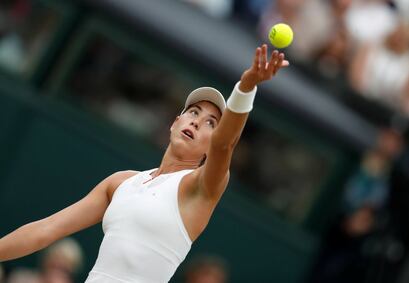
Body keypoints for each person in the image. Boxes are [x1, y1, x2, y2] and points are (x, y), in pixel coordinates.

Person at [0, 44, 289, 282]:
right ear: (175, 123)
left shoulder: (199, 187)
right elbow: (45, 230)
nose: (197, 121)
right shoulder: (120, 182)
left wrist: (247, 86)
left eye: (211, 122)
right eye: (193, 112)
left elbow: (225, 144)